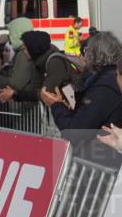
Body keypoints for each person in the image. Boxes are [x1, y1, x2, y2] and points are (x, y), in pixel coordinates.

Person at [40, 31, 122, 168]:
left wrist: (56, 105)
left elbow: (75, 131)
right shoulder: (106, 80)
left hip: (97, 164)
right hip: (102, 159)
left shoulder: (104, 87)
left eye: (85, 51)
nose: (82, 56)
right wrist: (64, 107)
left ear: (94, 54)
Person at [0, 17, 36, 103]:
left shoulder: (23, 54)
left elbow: (15, 84)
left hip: (26, 105)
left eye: (11, 33)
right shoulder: (24, 51)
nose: (10, 38)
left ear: (17, 34)